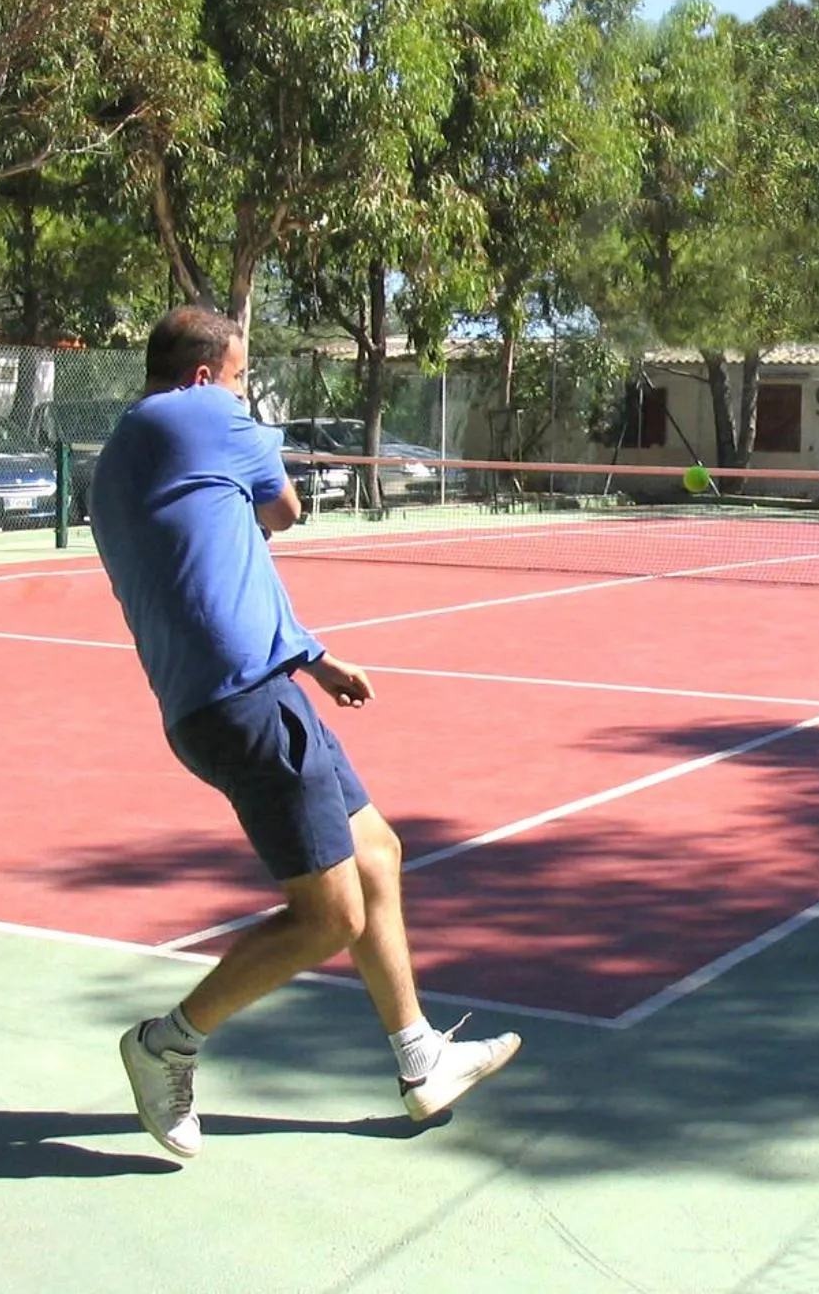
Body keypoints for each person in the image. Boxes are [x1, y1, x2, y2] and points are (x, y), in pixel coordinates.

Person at [90, 305, 519, 1160]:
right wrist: (252, 450)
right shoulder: (207, 414)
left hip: (240, 694)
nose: (243, 392)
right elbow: (284, 510)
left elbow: (219, 573)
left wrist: (316, 661)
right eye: (241, 377)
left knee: (377, 853)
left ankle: (421, 1059)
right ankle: (166, 1044)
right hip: (244, 702)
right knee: (331, 918)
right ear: (205, 376)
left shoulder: (120, 457)